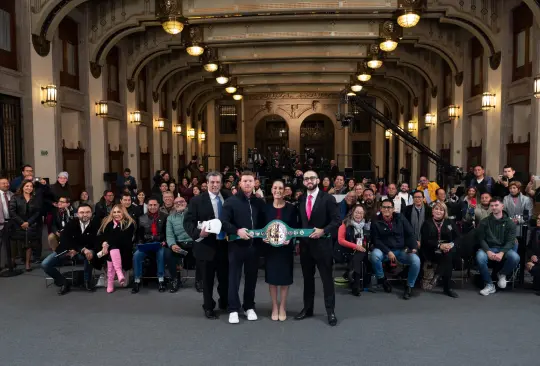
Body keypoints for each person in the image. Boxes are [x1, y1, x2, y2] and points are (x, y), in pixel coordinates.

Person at [295, 170, 340, 326]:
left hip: (323, 247)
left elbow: (336, 221)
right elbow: (299, 223)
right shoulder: (300, 199)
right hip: (305, 247)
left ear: (318, 180)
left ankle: (330, 311)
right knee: (307, 280)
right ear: (303, 182)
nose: (309, 181)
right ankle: (308, 309)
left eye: (312, 178)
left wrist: (323, 231)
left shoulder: (328, 198)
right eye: (306, 179)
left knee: (327, 280)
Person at [184, 172, 231, 319]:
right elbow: (188, 222)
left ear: (221, 183)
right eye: (212, 182)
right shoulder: (197, 201)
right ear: (207, 183)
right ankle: (208, 306)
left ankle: (224, 301)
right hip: (206, 245)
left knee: (225, 278)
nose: (215, 185)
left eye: (218, 182)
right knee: (208, 279)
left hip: (225, 244)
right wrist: (198, 234)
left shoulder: (228, 197)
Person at [221, 171, 265, 324]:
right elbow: (223, 222)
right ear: (239, 183)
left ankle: (249, 306)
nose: (247, 183)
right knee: (234, 278)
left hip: (254, 247)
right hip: (236, 246)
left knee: (251, 278)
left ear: (255, 183)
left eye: (250, 181)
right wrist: (236, 230)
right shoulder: (231, 201)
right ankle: (233, 308)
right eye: (244, 181)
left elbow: (264, 222)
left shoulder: (259, 202)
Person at [41, 204, 98, 295]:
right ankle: (63, 282)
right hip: (67, 251)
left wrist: (81, 250)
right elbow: (64, 239)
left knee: (89, 254)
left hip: (84, 251)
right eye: (82, 212)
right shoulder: (71, 223)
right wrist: (74, 248)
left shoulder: (96, 225)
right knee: (45, 264)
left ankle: (87, 281)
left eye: (87, 212)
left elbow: (94, 242)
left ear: (91, 213)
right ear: (77, 214)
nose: (84, 215)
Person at [262, 180, 298, 321]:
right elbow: (261, 228)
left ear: (284, 191)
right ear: (271, 190)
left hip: (285, 249)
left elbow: (295, 228)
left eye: (280, 188)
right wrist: (263, 237)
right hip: (270, 249)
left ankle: (282, 306)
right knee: (272, 278)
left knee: (284, 279)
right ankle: (274, 306)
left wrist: (291, 237)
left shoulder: (291, 209)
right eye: (275, 187)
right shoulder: (265, 208)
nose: (278, 190)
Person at [370, 199, 420, 300]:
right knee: (374, 256)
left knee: (416, 260)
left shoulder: (400, 217)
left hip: (401, 250)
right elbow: (376, 240)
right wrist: (388, 251)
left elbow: (410, 233)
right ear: (380, 209)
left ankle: (409, 286)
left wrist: (413, 247)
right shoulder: (375, 220)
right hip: (384, 250)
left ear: (393, 209)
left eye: (389, 207)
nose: (386, 209)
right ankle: (382, 280)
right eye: (384, 207)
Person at [475, 197, 519, 296]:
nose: (494, 207)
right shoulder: (484, 222)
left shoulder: (510, 223)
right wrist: (488, 251)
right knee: (479, 257)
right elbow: (481, 239)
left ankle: (502, 273)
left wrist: (501, 252)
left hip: (504, 249)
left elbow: (511, 241)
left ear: (502, 206)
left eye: (496, 205)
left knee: (515, 257)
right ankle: (489, 284)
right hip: (489, 248)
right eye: (492, 206)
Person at [420, 202, 459, 298]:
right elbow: (425, 240)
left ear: (444, 212)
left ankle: (437, 276)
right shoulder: (427, 223)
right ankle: (447, 288)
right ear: (432, 210)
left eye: (441, 210)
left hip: (447, 249)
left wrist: (450, 245)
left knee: (448, 255)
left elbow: (458, 237)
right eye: (436, 209)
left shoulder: (449, 222)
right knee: (447, 258)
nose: (438, 211)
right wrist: (439, 245)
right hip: (431, 250)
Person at [96, 205, 136, 293]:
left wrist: (107, 244)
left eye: (119, 212)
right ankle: (118, 273)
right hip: (111, 250)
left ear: (123, 213)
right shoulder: (108, 223)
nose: (116, 214)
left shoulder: (129, 223)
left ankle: (111, 281)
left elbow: (123, 239)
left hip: (125, 250)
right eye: (114, 212)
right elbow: (101, 237)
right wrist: (103, 243)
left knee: (113, 249)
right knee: (113, 250)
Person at [132, 198, 168, 293]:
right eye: (150, 205)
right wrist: (140, 243)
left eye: (155, 205)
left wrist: (165, 241)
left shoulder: (165, 217)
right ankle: (137, 281)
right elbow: (139, 235)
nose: (152, 207)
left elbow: (167, 233)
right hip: (146, 244)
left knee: (161, 254)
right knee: (136, 255)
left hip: (159, 244)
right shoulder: (141, 218)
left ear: (158, 205)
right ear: (147, 206)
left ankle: (161, 280)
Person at [9, 180, 43, 271]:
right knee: (16, 244)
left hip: (30, 224)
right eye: (27, 186)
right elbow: (12, 211)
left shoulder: (35, 198)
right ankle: (13, 262)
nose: (29, 188)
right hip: (17, 224)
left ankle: (27, 263)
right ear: (22, 187)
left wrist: (28, 222)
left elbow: (37, 212)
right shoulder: (15, 197)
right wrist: (21, 222)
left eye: (31, 186)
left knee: (29, 244)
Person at [337, 204, 368, 297]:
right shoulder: (344, 224)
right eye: (357, 212)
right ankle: (356, 284)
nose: (359, 215)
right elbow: (341, 240)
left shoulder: (365, 225)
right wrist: (355, 246)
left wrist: (363, 245)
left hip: (362, 249)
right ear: (352, 213)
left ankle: (355, 283)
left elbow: (368, 239)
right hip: (347, 250)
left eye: (361, 213)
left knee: (358, 256)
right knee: (356, 259)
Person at [165, 196, 190, 293]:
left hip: (193, 242)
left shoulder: (193, 215)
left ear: (185, 203)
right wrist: (172, 245)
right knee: (169, 253)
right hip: (179, 244)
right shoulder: (170, 218)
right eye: (176, 203)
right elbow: (169, 235)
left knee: (201, 250)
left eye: (181, 201)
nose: (179, 204)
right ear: (174, 206)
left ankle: (199, 280)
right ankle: (175, 279)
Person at [0, 177, 14, 269]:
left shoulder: (12, 194)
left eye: (7, 183)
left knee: (10, 245)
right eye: (3, 183)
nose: (6, 185)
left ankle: (9, 264)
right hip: (0, 223)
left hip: (10, 222)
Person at [525, 216, 540, 295]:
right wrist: (532, 256)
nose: (538, 220)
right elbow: (529, 247)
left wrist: (538, 260)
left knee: (534, 269)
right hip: (535, 259)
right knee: (536, 287)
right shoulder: (535, 231)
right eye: (537, 219)